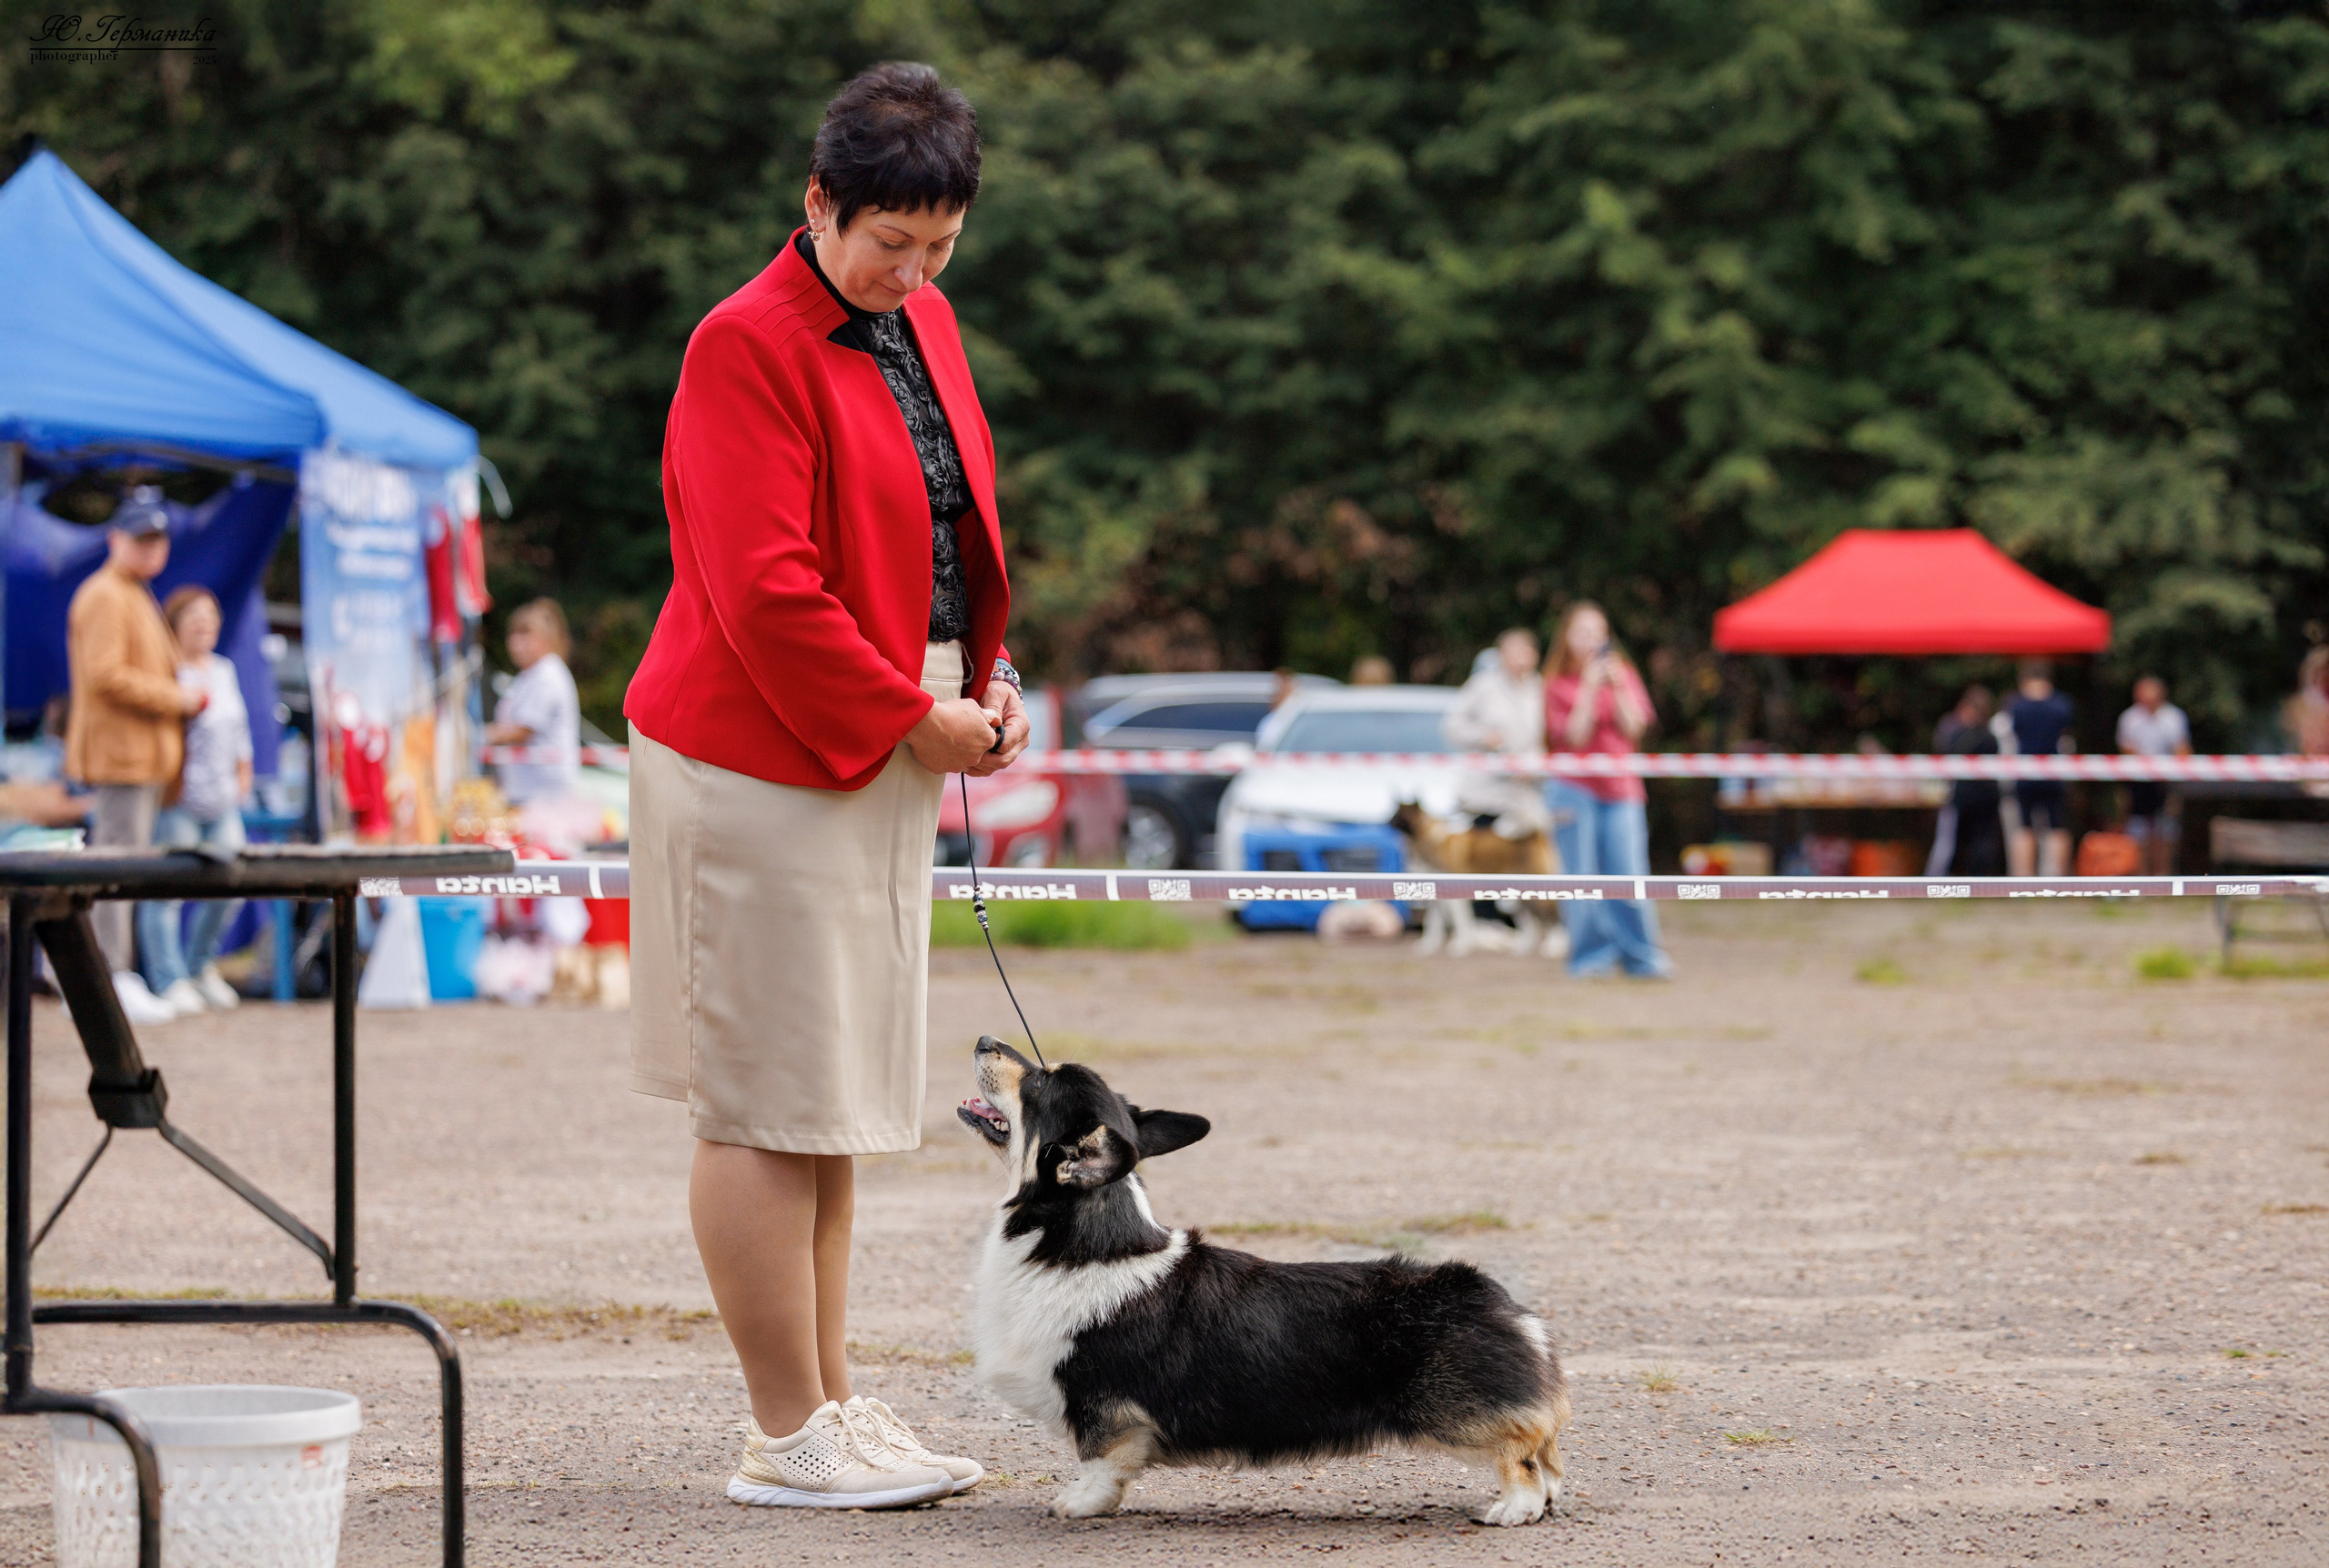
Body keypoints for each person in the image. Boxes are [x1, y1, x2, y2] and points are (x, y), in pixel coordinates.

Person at [622, 64, 1025, 1511]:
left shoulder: (924, 327)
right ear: (817, 204)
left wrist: (984, 679)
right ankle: (784, 1431)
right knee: (761, 1099)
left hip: (878, 731)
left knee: (836, 1100)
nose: (913, 273)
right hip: (755, 752)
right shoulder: (742, 343)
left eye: (940, 247)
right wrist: (913, 718)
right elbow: (765, 591)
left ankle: (833, 1404)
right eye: (888, 244)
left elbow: (942, 526)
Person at [65, 487, 205, 1026]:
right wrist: (178, 699)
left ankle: (116, 975)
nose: (151, 548)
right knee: (113, 870)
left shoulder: (134, 592)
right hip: (121, 760)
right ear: (114, 538)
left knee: (123, 868)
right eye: (141, 538)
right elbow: (106, 676)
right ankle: (109, 977)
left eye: (158, 538)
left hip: (142, 763)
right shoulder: (106, 594)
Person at [134, 587, 253, 1016]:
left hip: (223, 799)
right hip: (179, 798)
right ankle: (168, 978)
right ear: (176, 625)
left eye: (210, 616)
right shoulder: (165, 672)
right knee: (167, 891)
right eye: (193, 617)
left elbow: (239, 730)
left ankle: (199, 966)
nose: (203, 624)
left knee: (232, 885)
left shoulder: (224, 670)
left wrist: (244, 772)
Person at [1541, 602, 1669, 978]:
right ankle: (1589, 959)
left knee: (1629, 875)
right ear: (1566, 637)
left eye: (1599, 632)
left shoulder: (1625, 675)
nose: (1592, 640)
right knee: (1580, 879)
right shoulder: (1556, 683)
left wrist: (1617, 688)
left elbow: (1636, 728)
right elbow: (1573, 736)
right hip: (1572, 789)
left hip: (1622, 789)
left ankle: (1642, 958)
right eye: (1582, 632)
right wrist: (1588, 689)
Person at [1446, 628, 1550, 836]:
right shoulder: (1482, 686)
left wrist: (1535, 765)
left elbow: (1549, 739)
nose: (1519, 657)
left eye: (1524, 650)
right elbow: (1452, 726)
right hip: (1483, 797)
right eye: (1513, 650)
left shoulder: (1543, 689)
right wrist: (1483, 737)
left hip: (1524, 798)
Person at [485, 598, 582, 804]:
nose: (518, 645)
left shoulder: (548, 674)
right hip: (526, 788)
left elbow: (523, 730)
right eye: (514, 636)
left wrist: (481, 735)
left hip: (544, 793)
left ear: (546, 639)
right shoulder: (528, 676)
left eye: (526, 636)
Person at [2003, 658, 2076, 877]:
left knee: (2024, 827)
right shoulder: (2061, 704)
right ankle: (2056, 878)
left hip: (2025, 769)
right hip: (2053, 770)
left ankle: (2023, 880)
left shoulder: (2016, 705)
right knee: (2057, 825)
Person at [1924, 685, 2004, 877]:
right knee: (1981, 843)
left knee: (1951, 841)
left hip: (1962, 796)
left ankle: (1939, 878)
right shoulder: (1990, 737)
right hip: (1986, 796)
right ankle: (1978, 880)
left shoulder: (1956, 734)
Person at [2116, 674, 2190, 876]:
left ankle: (2163, 878)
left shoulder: (2174, 717)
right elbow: (2126, 748)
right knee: (2138, 832)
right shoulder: (2129, 718)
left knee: (2166, 832)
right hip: (2139, 783)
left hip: (2167, 783)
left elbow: (2182, 750)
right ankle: (2142, 879)